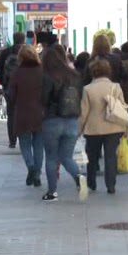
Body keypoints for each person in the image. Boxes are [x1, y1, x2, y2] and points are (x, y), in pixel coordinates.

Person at [41, 44, 87, 202]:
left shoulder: (47, 76)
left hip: (52, 121)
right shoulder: (74, 75)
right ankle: (79, 176)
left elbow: (44, 99)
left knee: (52, 157)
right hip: (72, 121)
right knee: (67, 157)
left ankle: (52, 192)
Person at [79, 59, 126, 194]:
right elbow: (122, 106)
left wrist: (80, 128)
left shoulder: (87, 89)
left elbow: (84, 111)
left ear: (93, 72)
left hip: (93, 129)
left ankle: (91, 182)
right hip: (113, 127)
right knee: (111, 156)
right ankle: (111, 185)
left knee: (92, 156)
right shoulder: (116, 87)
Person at [9, 45, 44, 187]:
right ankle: (37, 174)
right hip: (40, 113)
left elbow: (11, 95)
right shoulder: (42, 71)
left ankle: (31, 167)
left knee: (24, 143)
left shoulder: (17, 73)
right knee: (38, 145)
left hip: (23, 113)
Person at [0, 32, 26, 148]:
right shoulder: (28, 52)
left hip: (9, 88)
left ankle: (12, 141)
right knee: (25, 114)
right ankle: (24, 139)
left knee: (11, 114)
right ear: (23, 40)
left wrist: (4, 83)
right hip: (25, 89)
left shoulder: (5, 53)